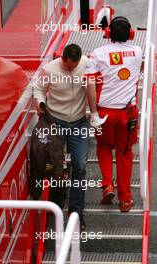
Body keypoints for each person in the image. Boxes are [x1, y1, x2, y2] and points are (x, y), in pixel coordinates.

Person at [33, 43, 107, 230]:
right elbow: (39, 89)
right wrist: (41, 103)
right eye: (68, 66)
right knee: (57, 166)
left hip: (79, 122)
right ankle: (57, 204)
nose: (72, 69)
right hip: (56, 122)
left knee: (80, 167)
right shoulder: (50, 69)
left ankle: (76, 213)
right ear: (63, 59)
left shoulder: (86, 63)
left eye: (75, 66)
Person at [85, 17, 142, 212]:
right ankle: (125, 200)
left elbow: (90, 85)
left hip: (105, 112)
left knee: (103, 147)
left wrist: (93, 113)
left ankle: (107, 185)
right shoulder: (137, 52)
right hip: (128, 113)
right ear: (131, 34)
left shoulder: (97, 55)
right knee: (125, 153)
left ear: (107, 33)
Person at [0, 43, 28, 158]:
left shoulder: (12, 70)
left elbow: (27, 89)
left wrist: (17, 110)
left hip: (8, 124)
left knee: (11, 160)